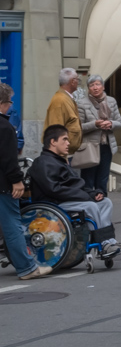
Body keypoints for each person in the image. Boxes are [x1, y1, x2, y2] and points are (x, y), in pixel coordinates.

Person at [28, 125, 121, 258]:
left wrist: (92, 193)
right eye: (65, 139)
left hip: (67, 199)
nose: (68, 143)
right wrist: (85, 197)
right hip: (54, 203)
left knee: (105, 202)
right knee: (90, 206)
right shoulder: (43, 163)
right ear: (53, 142)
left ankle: (110, 241)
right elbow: (54, 190)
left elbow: (76, 184)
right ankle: (103, 244)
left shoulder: (59, 161)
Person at [0, 83, 51, 280]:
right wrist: (17, 181)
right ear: (3, 103)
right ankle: (27, 268)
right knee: (12, 225)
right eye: (9, 102)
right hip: (3, 185)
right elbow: (8, 160)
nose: (10, 106)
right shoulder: (5, 127)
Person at [74, 74, 121, 195]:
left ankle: (102, 202)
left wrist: (110, 124)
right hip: (89, 147)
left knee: (103, 178)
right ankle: (89, 205)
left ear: (103, 87)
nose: (95, 87)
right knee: (88, 179)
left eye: (97, 84)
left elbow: (119, 122)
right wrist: (95, 124)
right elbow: (78, 127)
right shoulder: (81, 103)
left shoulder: (111, 101)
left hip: (107, 145)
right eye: (91, 85)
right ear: (88, 88)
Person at [45, 68, 82, 158]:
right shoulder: (60, 100)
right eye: (77, 79)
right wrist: (61, 157)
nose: (78, 82)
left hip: (67, 154)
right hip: (62, 156)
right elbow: (56, 131)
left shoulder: (66, 98)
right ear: (72, 81)